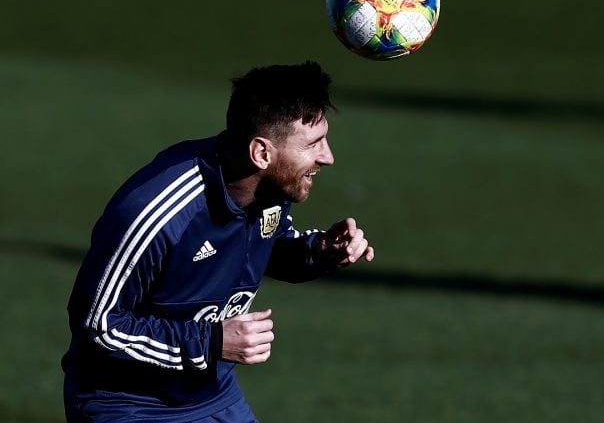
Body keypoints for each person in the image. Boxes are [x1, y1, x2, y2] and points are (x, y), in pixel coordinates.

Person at [62, 61, 375, 422]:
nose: (328, 157)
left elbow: (263, 246)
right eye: (313, 144)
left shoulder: (271, 188)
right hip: (126, 405)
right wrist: (211, 342)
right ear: (261, 153)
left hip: (213, 395)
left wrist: (319, 252)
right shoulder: (159, 213)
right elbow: (96, 324)